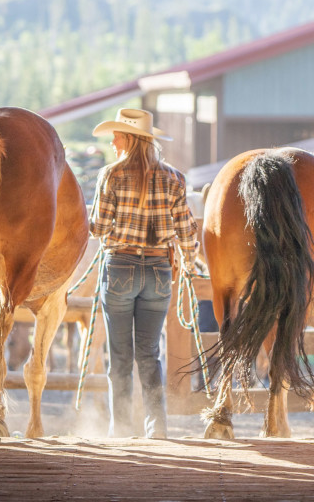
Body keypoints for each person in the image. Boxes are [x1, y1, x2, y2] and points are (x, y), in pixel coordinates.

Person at [89, 108, 198, 438]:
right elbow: (187, 232)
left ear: (129, 140)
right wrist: (190, 265)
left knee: (120, 356)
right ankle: (157, 427)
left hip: (120, 266)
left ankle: (120, 427)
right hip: (159, 271)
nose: (112, 139)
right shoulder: (174, 178)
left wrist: (95, 223)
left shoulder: (110, 175)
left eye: (117, 134)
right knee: (149, 354)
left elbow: (98, 227)